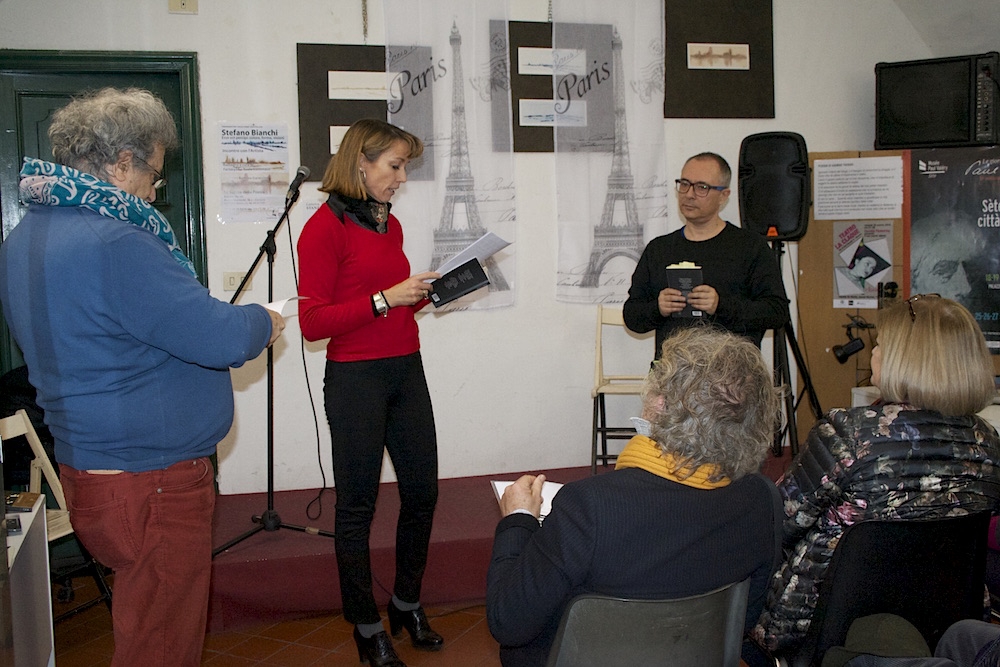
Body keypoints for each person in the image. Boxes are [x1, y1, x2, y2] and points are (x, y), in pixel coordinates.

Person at [0, 87, 283, 667]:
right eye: (153, 172)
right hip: (150, 484)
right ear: (120, 162)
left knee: (146, 630)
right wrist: (268, 318)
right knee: (161, 647)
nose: (156, 191)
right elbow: (223, 337)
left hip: (90, 468)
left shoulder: (25, 236)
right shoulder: (116, 241)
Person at [487, 326, 784, 667]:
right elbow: (741, 620)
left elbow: (508, 623)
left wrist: (517, 521)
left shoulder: (589, 506)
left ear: (659, 406)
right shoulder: (761, 499)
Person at [750, 295, 1000, 663]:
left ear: (906, 359)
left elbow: (777, 524)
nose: (873, 354)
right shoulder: (988, 445)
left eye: (880, 345)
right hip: (941, 626)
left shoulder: (849, 434)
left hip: (823, 626)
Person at [297, 118, 442, 667]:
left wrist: (429, 293)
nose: (401, 177)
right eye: (395, 166)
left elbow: (392, 300)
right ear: (362, 161)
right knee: (357, 506)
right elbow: (313, 322)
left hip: (406, 368)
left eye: (405, 166)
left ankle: (405, 603)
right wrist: (386, 298)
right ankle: (365, 627)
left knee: (423, 493)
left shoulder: (390, 225)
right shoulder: (323, 227)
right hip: (356, 379)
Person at [623, 152, 789, 360]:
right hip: (672, 377)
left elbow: (777, 312)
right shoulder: (659, 249)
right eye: (684, 184)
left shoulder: (750, 247)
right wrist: (658, 308)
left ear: (724, 195)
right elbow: (632, 316)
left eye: (702, 187)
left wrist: (721, 306)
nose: (689, 194)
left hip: (732, 378)